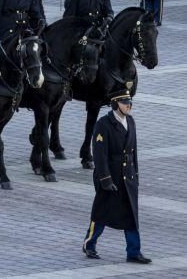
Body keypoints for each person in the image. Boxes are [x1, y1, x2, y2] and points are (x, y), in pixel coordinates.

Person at [82, 90, 150, 264]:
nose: (129, 105)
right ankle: (89, 244)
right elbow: (99, 155)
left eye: (130, 102)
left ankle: (134, 252)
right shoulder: (103, 124)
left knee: (131, 215)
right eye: (125, 102)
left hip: (127, 177)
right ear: (115, 104)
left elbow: (133, 151)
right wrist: (105, 179)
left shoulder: (131, 122)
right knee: (102, 213)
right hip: (110, 176)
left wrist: (135, 175)